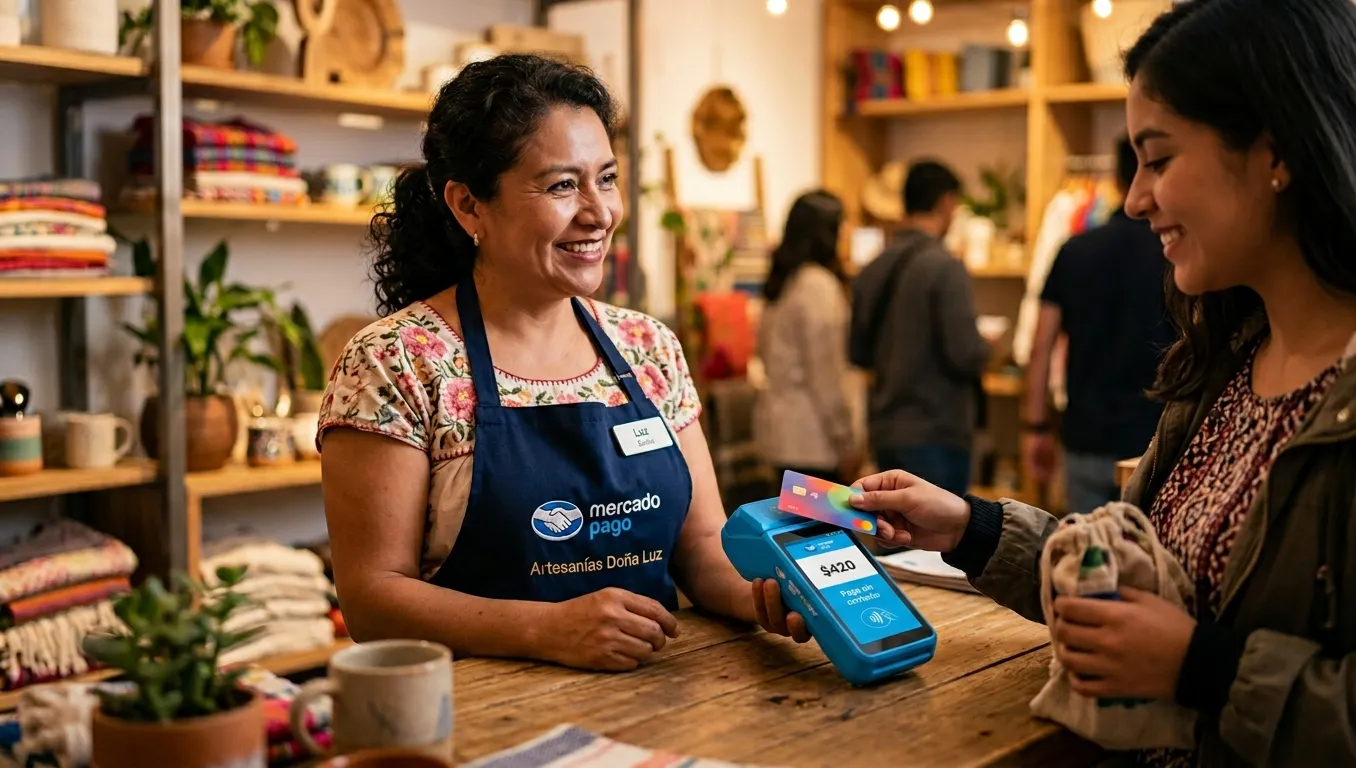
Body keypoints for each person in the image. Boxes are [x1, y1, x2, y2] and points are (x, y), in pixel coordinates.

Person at [843, 0, 1356, 764]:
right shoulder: (1224, 370)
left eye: (1158, 159)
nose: (1132, 199)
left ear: (1276, 151)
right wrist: (970, 528)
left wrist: (1201, 668)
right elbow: (1127, 585)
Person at [317, 54, 809, 674]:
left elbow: (702, 549)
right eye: (561, 186)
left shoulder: (647, 347)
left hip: (663, 696)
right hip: (485, 716)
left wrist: (772, 598)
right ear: (470, 206)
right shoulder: (396, 361)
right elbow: (371, 599)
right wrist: (546, 628)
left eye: (606, 178)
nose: (599, 212)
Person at [1023, 136, 1175, 514]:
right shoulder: (1176, 254)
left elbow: (1041, 344)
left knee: (1084, 562)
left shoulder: (1076, 250)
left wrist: (1036, 426)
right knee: (1144, 563)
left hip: (1086, 435)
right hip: (1153, 440)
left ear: (1116, 178)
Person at [849, 160, 988, 495]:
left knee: (893, 537)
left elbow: (857, 352)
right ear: (946, 203)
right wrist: (990, 347)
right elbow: (965, 353)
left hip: (885, 430)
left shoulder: (871, 268)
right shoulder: (945, 267)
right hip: (937, 432)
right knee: (938, 542)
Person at [754, 190, 861, 486]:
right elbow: (826, 376)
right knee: (822, 532)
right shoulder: (818, 286)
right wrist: (846, 440)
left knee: (794, 531)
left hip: (781, 435)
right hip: (813, 440)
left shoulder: (783, 280)